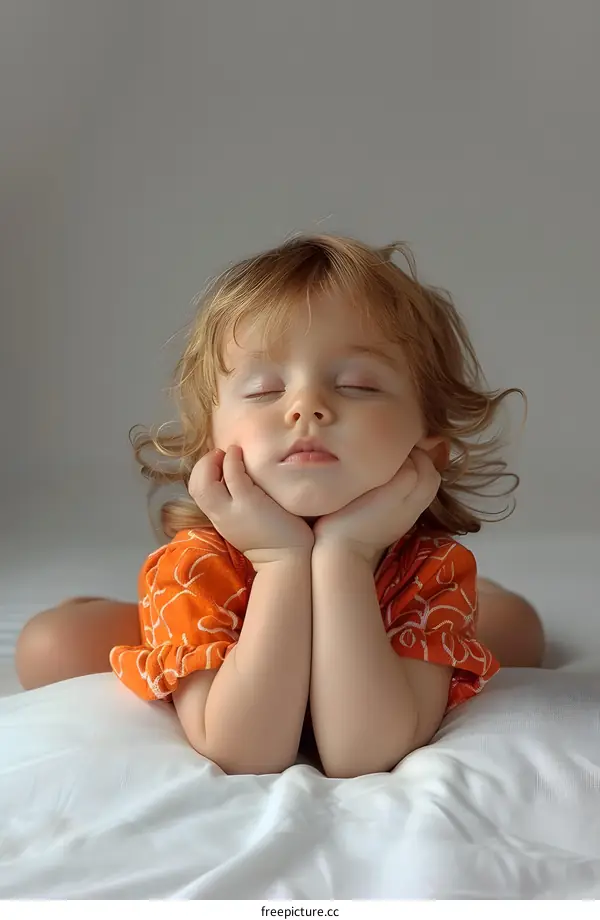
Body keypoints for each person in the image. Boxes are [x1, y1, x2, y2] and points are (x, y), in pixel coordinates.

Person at [15, 234, 544, 778]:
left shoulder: (431, 570)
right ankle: (138, 623)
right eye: (266, 390)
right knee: (52, 646)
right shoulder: (197, 566)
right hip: (226, 615)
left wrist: (347, 553)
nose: (306, 407)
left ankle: (491, 599)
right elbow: (244, 752)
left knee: (519, 628)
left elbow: (364, 755)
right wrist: (278, 557)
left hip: (390, 613)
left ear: (427, 452)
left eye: (358, 385)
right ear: (210, 448)